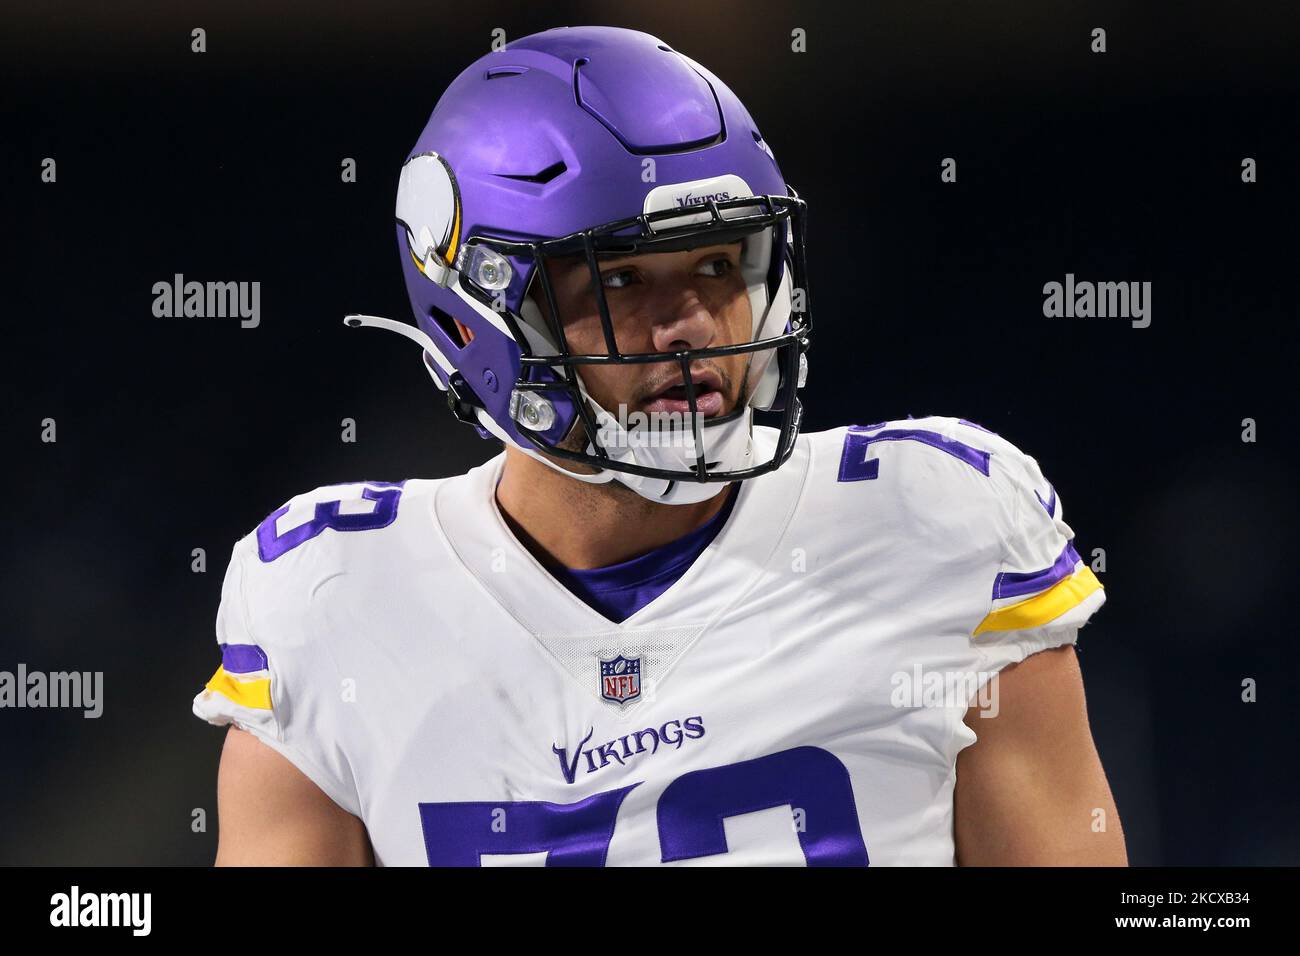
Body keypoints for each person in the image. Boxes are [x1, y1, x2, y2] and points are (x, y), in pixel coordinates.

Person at [194, 25, 1125, 866]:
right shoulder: (332, 597)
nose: (690, 326)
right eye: (623, 278)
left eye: (720, 264)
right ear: (478, 309)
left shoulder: (936, 520)